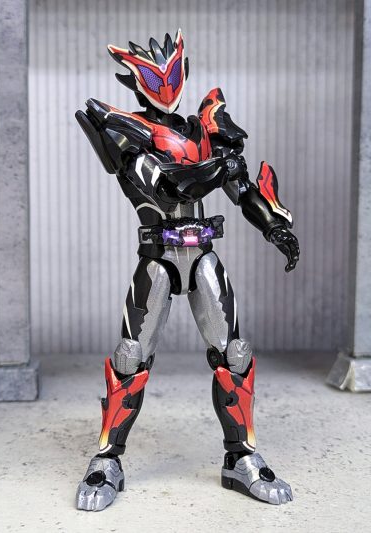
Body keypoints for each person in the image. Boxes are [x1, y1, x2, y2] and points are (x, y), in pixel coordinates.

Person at [75, 29, 299, 511]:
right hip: (157, 257)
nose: (165, 84)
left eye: (172, 72)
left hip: (201, 256)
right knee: (131, 356)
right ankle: (107, 459)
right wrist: (220, 167)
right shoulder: (126, 131)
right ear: (135, 81)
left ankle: (241, 457)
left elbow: (244, 189)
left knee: (234, 353)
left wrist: (274, 226)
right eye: (155, 76)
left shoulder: (206, 128)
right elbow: (168, 187)